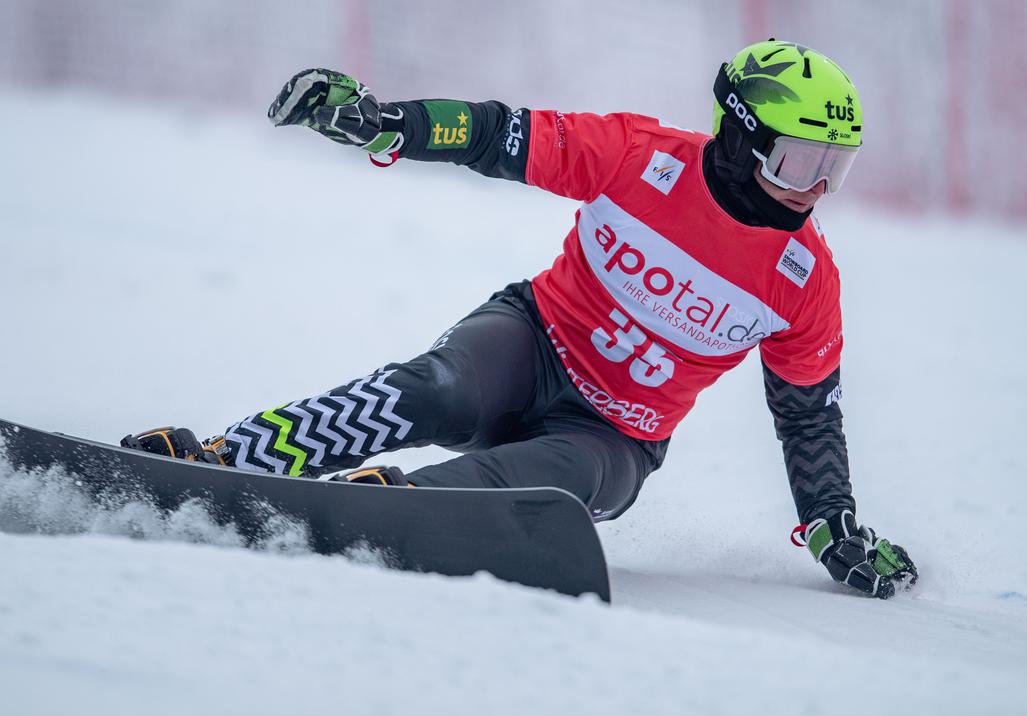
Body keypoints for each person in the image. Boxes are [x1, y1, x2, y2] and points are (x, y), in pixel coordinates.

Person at [124, 40, 917, 598]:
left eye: (835, 169)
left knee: (561, 481)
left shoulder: (804, 280)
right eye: (803, 160)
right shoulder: (639, 155)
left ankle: (389, 505)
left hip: (615, 435)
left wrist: (831, 524)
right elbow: (498, 134)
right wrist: (388, 122)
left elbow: (808, 417)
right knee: (439, 391)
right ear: (744, 134)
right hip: (530, 344)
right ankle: (236, 454)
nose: (816, 188)